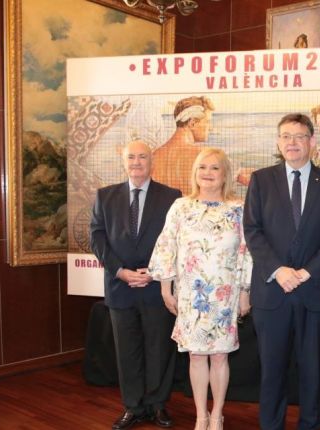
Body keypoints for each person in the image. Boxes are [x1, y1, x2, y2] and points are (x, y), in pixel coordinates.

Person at [243, 113, 320, 430]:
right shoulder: (261, 180)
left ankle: (311, 424)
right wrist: (279, 270)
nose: (292, 142)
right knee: (272, 370)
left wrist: (304, 273)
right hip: (272, 293)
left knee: (313, 370)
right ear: (278, 142)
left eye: (299, 136)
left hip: (313, 291)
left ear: (312, 142)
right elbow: (252, 231)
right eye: (286, 136)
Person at [148, 147, 252, 430]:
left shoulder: (239, 209)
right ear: (195, 172)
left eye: (214, 168)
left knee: (219, 355)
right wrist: (165, 288)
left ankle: (217, 414)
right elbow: (167, 245)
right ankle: (200, 415)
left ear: (225, 174)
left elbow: (247, 252)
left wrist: (245, 292)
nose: (207, 173)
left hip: (225, 295)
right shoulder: (181, 206)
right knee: (196, 355)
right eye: (202, 167)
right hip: (191, 296)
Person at [90, 139, 182, 430]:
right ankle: (133, 406)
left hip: (157, 287)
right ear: (123, 160)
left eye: (143, 157)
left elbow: (177, 239)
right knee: (127, 351)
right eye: (131, 157)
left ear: (151, 162)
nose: (137, 162)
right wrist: (120, 271)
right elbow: (97, 237)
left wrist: (156, 271)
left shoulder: (171, 197)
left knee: (158, 349)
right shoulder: (105, 196)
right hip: (120, 287)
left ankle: (157, 405)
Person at [153, 96, 215, 195]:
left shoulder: (154, 156)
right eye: (207, 122)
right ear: (192, 123)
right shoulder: (203, 155)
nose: (210, 128)